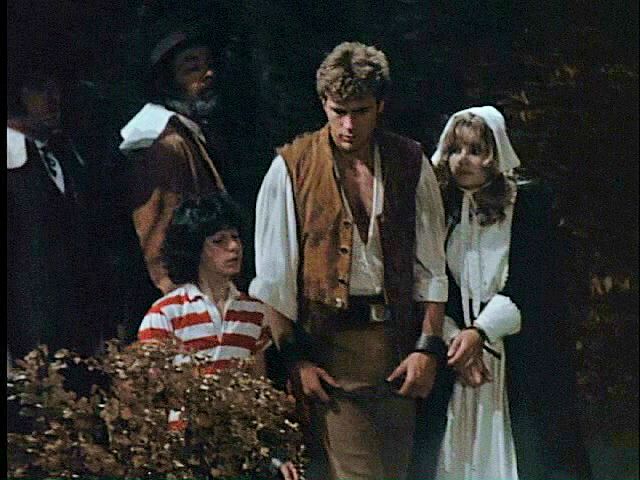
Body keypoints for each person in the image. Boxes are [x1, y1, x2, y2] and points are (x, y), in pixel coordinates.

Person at [249, 41, 448, 480]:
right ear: (323, 103)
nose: (348, 125)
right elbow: (274, 280)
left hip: (396, 348)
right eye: (338, 111)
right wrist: (296, 361)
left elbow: (432, 269)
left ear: (380, 106)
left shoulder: (408, 163)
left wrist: (427, 348)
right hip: (331, 353)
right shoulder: (293, 168)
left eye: (360, 111)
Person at [430, 106, 592, 480]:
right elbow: (433, 279)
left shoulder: (527, 205)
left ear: (494, 155)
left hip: (516, 355)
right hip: (459, 360)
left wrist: (481, 333)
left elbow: (535, 282)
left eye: (474, 150)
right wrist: (457, 342)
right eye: (455, 150)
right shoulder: (441, 208)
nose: (462, 160)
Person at [137, 192, 297, 480]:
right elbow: (152, 397)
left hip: (238, 447)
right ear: (195, 248)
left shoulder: (253, 312)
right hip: (183, 450)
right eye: (218, 241)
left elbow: (257, 388)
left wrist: (273, 451)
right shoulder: (166, 314)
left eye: (235, 237)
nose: (233, 247)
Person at [119, 30, 229, 296]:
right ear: (168, 82)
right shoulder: (165, 145)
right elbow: (157, 233)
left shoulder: (190, 134)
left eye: (209, 65)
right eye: (192, 69)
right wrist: (178, 295)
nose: (208, 74)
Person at [7, 71, 104, 359]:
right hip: (26, 332)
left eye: (55, 88)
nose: (52, 99)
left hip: (77, 328)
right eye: (39, 89)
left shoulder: (64, 154)